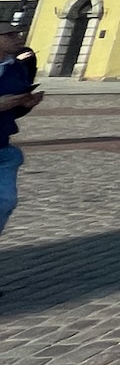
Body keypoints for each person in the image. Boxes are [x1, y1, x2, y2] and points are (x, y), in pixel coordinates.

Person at [0, 26, 44, 236]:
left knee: (5, 202)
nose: (18, 38)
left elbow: (12, 113)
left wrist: (24, 106)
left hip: (3, 149)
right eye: (10, 35)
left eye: (17, 33)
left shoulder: (17, 67)